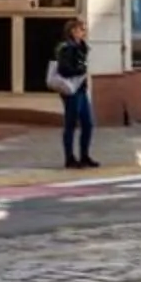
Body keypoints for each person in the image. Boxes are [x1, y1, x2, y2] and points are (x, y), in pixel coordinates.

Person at [48, 16, 98, 168]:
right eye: (81, 29)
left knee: (88, 123)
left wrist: (82, 68)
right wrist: (79, 70)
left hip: (81, 89)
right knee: (70, 124)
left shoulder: (82, 46)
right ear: (73, 31)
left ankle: (84, 156)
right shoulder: (65, 48)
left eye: (84, 29)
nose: (84, 32)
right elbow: (64, 69)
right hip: (71, 90)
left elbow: (84, 65)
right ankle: (69, 158)